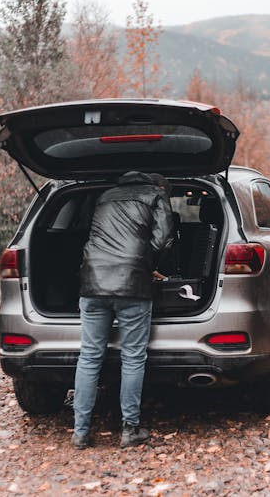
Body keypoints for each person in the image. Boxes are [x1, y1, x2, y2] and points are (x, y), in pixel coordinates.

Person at [72, 171, 174, 449]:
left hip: (92, 281)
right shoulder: (156, 195)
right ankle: (130, 429)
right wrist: (145, 263)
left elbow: (88, 234)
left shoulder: (104, 196)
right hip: (132, 283)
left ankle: (80, 432)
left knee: (90, 356)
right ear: (157, 183)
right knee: (132, 356)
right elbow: (164, 239)